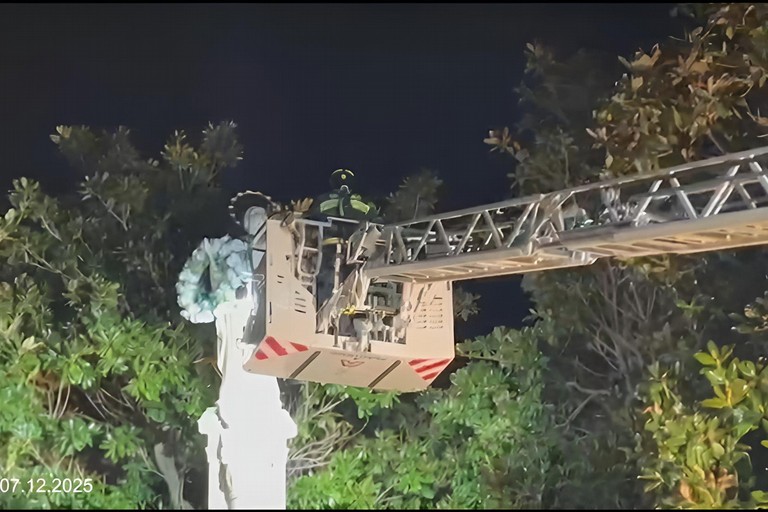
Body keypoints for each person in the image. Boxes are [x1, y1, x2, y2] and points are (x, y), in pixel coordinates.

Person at [307, 169, 380, 222]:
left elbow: (373, 215)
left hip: (358, 236)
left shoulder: (364, 201)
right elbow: (313, 215)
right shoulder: (322, 198)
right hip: (326, 234)